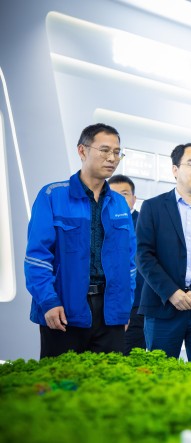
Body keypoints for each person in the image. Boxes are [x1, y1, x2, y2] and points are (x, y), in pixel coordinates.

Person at [25, 123, 136, 358]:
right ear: (82, 151)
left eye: (117, 152)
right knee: (62, 379)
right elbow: (37, 257)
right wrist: (48, 301)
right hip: (64, 310)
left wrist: (123, 306)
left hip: (110, 312)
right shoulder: (52, 196)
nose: (112, 158)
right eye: (104, 150)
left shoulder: (119, 204)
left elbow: (129, 262)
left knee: (110, 379)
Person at [136, 143, 191, 367]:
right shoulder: (152, 207)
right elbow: (143, 255)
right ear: (175, 169)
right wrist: (171, 292)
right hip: (162, 307)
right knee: (160, 374)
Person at [108, 174, 146, 355]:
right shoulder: (101, 223)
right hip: (106, 302)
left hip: (136, 303)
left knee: (130, 355)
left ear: (134, 199)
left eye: (124, 194)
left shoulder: (145, 222)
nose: (118, 199)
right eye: (113, 194)